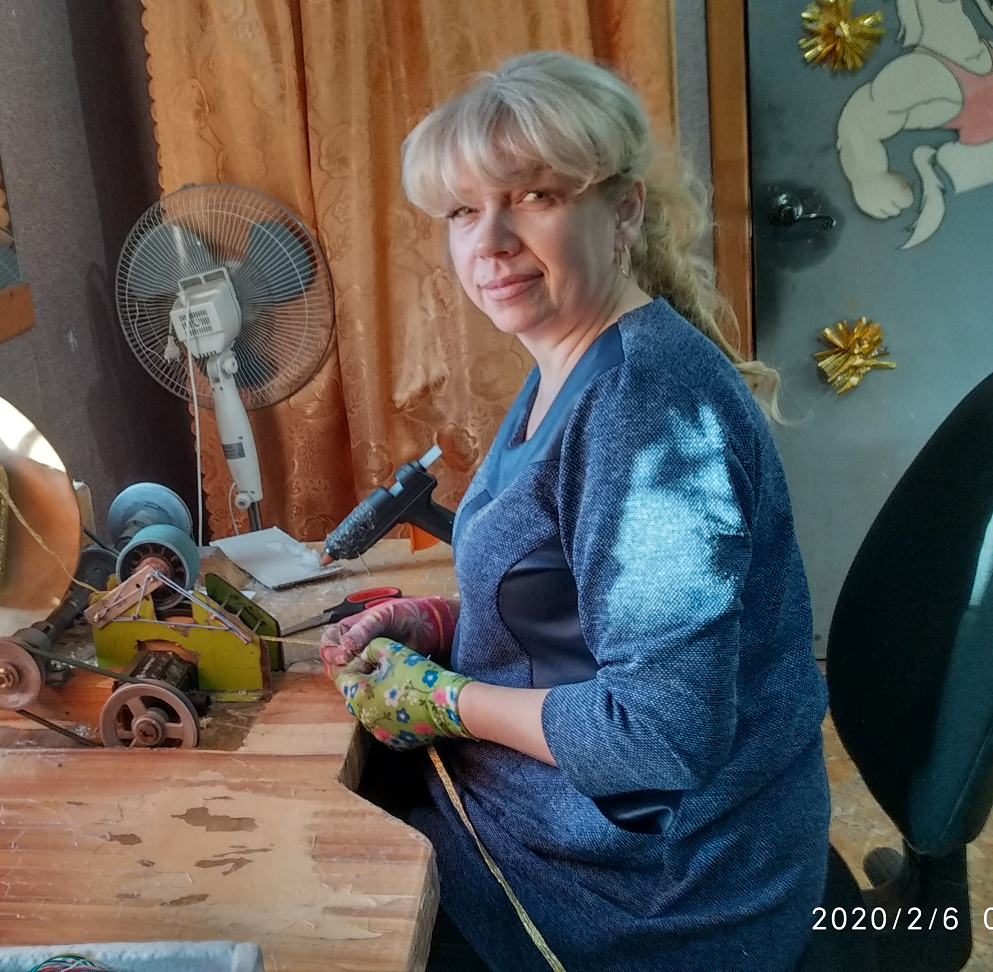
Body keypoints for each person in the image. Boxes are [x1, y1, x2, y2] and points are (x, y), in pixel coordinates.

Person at [321, 51, 830, 972]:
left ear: (624, 210)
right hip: (562, 827)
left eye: (535, 196)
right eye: (463, 210)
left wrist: (444, 701)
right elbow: (575, 610)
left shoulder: (649, 411)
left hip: (654, 898)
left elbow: (658, 736)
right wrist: (446, 624)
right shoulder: (567, 359)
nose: (490, 241)